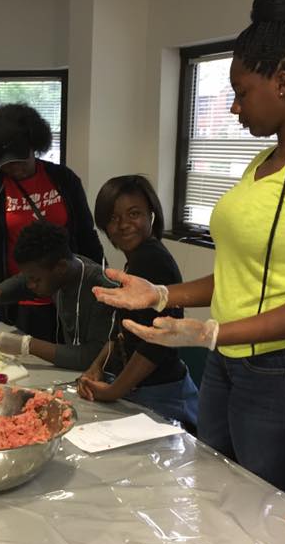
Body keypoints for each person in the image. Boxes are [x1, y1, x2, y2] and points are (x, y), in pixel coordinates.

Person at [95, 0, 285, 503]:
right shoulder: (264, 163)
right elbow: (246, 273)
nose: (234, 107)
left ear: (284, 82)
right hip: (233, 362)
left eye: (241, 93)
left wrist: (209, 335)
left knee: (265, 513)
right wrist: (161, 296)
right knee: (216, 498)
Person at [0, 103, 104, 341]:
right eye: (7, 163)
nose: (16, 168)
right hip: (17, 298)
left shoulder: (63, 180)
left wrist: (103, 284)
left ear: (35, 146)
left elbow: (86, 236)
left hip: (67, 293)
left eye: (21, 159)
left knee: (70, 356)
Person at [77, 176, 199, 431]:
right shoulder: (137, 259)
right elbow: (123, 329)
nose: (123, 225)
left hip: (160, 393)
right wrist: (95, 367)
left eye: (134, 214)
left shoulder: (152, 261)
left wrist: (112, 391)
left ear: (151, 215)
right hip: (139, 388)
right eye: (112, 218)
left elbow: (155, 345)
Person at [0, 220, 115, 370]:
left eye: (35, 279)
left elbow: (92, 358)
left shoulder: (103, 290)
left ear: (61, 267)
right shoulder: (61, 270)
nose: (30, 285)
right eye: (29, 278)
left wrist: (28, 345)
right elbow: (21, 282)